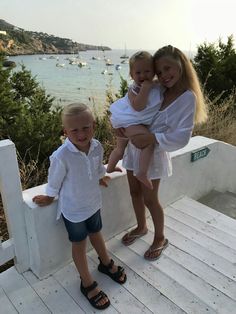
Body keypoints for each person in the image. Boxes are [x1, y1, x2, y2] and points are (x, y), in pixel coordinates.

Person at [32, 103, 126, 310]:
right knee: (79, 245)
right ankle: (87, 282)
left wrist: (101, 176)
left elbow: (95, 166)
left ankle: (105, 263)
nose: (81, 134)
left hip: (93, 203)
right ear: (65, 132)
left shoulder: (97, 146)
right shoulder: (61, 156)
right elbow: (55, 179)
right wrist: (50, 196)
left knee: (97, 232)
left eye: (86, 127)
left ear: (93, 125)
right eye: (74, 130)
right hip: (74, 211)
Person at [121, 45, 208, 261]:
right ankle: (141, 227)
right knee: (134, 192)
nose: (164, 75)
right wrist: (120, 125)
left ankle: (160, 237)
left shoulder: (187, 98)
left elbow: (182, 137)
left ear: (181, 64)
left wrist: (151, 138)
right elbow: (132, 106)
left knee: (151, 199)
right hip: (134, 150)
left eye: (168, 68)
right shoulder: (157, 88)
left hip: (154, 153)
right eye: (159, 72)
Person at [106, 51, 161, 190]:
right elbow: (138, 106)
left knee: (119, 149)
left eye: (147, 71)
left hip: (126, 122)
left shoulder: (156, 86)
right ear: (131, 75)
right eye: (138, 73)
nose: (143, 75)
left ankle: (110, 168)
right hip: (128, 122)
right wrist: (145, 89)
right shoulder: (134, 89)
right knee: (148, 143)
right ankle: (142, 173)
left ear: (154, 72)